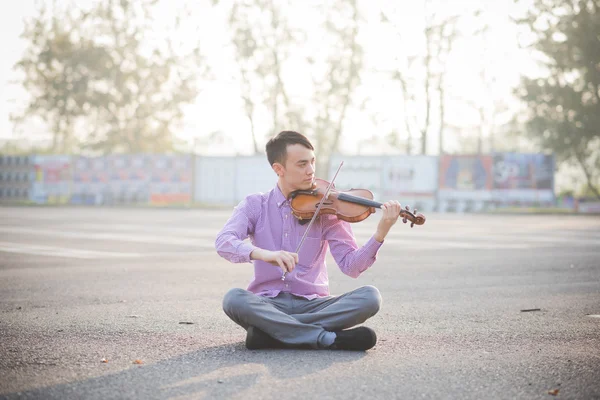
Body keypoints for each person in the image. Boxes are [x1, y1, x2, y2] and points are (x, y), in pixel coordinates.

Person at [215, 130, 402, 351]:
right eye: (302, 164)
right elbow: (224, 242)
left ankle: (274, 334)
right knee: (234, 299)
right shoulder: (256, 205)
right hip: (268, 304)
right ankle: (327, 338)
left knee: (370, 297)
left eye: (313, 162)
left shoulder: (328, 208)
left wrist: (380, 233)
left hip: (316, 305)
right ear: (279, 169)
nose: (311, 171)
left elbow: (351, 267)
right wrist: (265, 254)